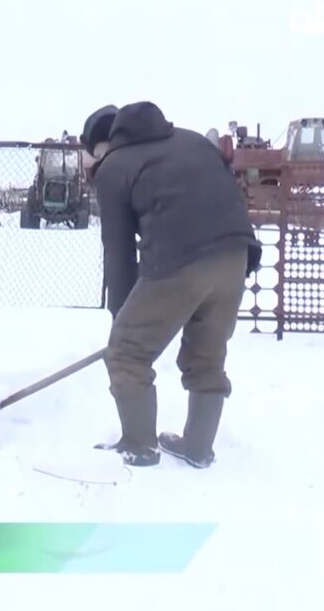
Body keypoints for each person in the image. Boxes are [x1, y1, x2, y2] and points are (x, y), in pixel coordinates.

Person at [79, 101, 262, 469]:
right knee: (207, 353)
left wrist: (123, 323)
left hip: (181, 259)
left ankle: (139, 444)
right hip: (236, 254)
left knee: (127, 352)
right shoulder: (192, 141)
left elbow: (118, 254)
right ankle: (197, 447)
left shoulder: (114, 166)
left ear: (101, 145)